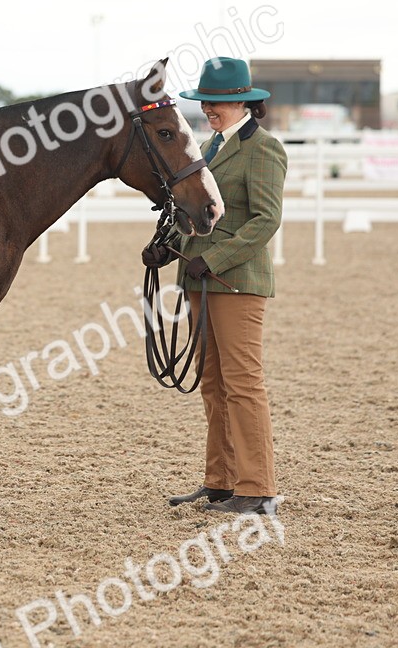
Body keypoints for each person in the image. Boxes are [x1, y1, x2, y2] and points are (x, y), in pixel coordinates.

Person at [142, 56, 287, 515]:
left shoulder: (263, 149)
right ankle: (221, 481)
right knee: (213, 382)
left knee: (243, 383)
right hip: (201, 279)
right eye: (205, 101)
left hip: (238, 282)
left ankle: (258, 488)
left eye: (218, 102)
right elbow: (193, 210)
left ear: (244, 103)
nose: (209, 109)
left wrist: (215, 258)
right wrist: (166, 244)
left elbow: (266, 220)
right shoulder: (210, 148)